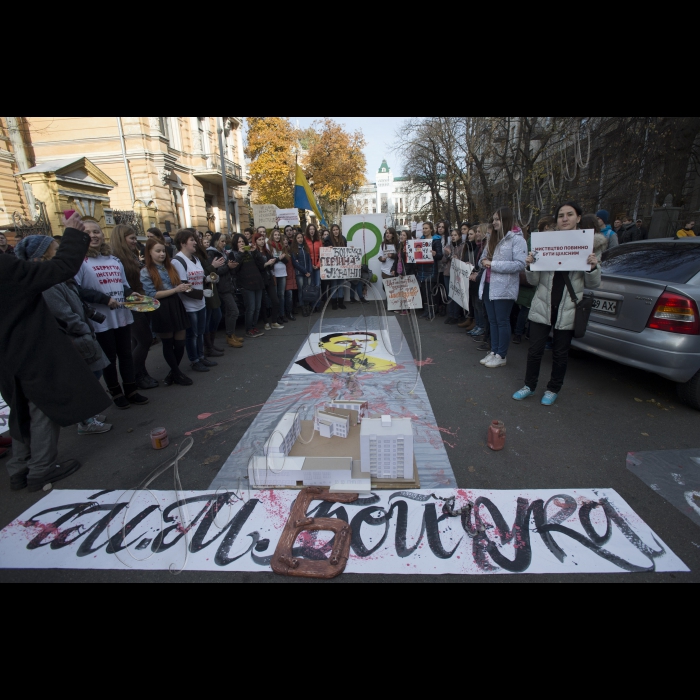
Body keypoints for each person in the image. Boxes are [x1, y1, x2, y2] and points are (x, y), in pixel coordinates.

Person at [1, 215, 112, 493]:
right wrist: (74, 236)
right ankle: (41, 469)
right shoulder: (8, 269)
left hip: (6, 355)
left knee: (20, 410)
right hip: (28, 350)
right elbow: (61, 268)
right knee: (42, 410)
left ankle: (20, 469)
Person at [21, 237, 113, 436]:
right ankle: (85, 421)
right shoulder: (48, 283)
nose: (61, 250)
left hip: (81, 334)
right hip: (74, 337)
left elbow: (75, 302)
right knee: (83, 379)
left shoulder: (58, 276)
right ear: (44, 254)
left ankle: (88, 415)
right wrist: (83, 328)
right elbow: (63, 314)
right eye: (56, 247)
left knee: (92, 375)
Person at [513, 202, 601, 406]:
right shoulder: (545, 242)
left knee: (560, 354)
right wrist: (530, 265)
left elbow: (593, 283)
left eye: (570, 214)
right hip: (543, 304)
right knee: (534, 350)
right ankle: (529, 385)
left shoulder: (587, 244)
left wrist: (592, 267)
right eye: (561, 215)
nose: (565, 218)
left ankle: (553, 388)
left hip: (567, 307)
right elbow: (533, 282)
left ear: (578, 218)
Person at [75, 221, 149, 409]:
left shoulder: (113, 260)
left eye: (96, 231)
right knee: (109, 358)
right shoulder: (79, 260)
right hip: (101, 319)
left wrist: (130, 293)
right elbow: (76, 290)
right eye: (88, 232)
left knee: (125, 354)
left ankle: (131, 389)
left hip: (122, 315)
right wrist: (103, 299)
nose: (94, 235)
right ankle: (116, 393)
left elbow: (122, 284)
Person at [110, 224, 159, 391]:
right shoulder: (116, 259)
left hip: (140, 300)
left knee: (137, 341)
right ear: (121, 239)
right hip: (130, 303)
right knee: (145, 339)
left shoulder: (130, 255)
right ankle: (135, 376)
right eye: (131, 238)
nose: (135, 241)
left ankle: (140, 373)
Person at [478, 207, 528, 368]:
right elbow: (481, 260)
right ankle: (494, 350)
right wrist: (484, 262)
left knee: (502, 320)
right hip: (487, 284)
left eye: (497, 219)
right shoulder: (492, 237)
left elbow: (520, 264)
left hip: (504, 287)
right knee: (492, 320)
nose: (494, 222)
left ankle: (502, 354)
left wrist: (493, 264)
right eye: (493, 219)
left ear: (505, 219)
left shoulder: (517, 240)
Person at [140, 238, 193, 385]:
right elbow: (151, 295)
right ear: (149, 253)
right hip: (161, 307)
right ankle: (177, 373)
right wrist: (176, 289)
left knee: (180, 342)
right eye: (158, 251)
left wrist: (184, 287)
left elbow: (177, 285)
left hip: (175, 304)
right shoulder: (146, 271)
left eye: (163, 251)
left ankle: (173, 373)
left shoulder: (170, 267)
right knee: (168, 343)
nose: (162, 254)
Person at [171, 229, 217, 373]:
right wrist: (201, 292)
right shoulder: (177, 261)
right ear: (182, 243)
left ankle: (201, 356)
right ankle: (194, 360)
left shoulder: (195, 259)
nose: (195, 242)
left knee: (201, 331)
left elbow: (199, 277)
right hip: (188, 305)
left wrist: (208, 279)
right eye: (192, 240)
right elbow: (183, 286)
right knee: (192, 334)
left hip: (200, 303)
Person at [209, 233, 244, 348]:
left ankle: (231, 335)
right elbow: (214, 272)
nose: (224, 244)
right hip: (222, 287)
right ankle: (229, 336)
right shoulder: (212, 253)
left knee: (231, 312)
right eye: (221, 241)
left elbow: (227, 269)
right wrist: (228, 267)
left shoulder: (223, 253)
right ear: (215, 241)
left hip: (228, 285)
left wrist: (231, 266)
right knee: (234, 311)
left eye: (225, 241)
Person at [231, 233, 266, 338]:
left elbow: (262, 263)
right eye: (239, 242)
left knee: (257, 307)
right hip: (245, 284)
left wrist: (255, 251)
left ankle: (254, 326)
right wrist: (241, 253)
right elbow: (235, 268)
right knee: (250, 308)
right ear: (235, 244)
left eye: (243, 242)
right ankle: (249, 329)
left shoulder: (250, 252)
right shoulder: (233, 254)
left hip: (257, 282)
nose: (241, 244)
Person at [253, 232, 284, 330]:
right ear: (255, 241)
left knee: (275, 300)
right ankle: (266, 322)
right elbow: (255, 267)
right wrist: (266, 264)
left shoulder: (267, 251)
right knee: (263, 302)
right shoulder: (254, 252)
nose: (262, 242)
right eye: (259, 240)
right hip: (260, 279)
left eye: (263, 239)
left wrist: (272, 262)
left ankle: (274, 321)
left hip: (269, 277)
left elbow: (271, 264)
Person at [415, 222, 444, 319]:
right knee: (424, 291)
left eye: (426, 228)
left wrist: (435, 254)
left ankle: (432, 311)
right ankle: (426, 310)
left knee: (430, 292)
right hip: (422, 269)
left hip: (431, 269)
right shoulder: (420, 241)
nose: (424, 230)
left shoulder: (436, 241)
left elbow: (440, 255)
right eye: (423, 228)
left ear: (431, 229)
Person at [268, 228, 291, 323]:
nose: (277, 236)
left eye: (278, 235)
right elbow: (270, 261)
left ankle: (282, 314)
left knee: (281, 295)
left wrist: (282, 258)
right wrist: (278, 259)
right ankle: (276, 316)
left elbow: (286, 260)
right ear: (272, 236)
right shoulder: (269, 246)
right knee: (275, 296)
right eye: (275, 235)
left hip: (282, 272)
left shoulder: (282, 246)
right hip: (274, 273)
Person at [443, 229, 465, 325]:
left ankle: (456, 315)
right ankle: (450, 314)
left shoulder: (463, 246)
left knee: (456, 295)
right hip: (448, 273)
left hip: (457, 273)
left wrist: (454, 257)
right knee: (449, 294)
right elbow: (443, 260)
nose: (453, 237)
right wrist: (448, 256)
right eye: (452, 235)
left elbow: (462, 259)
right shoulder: (448, 246)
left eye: (455, 235)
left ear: (459, 236)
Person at [327, 224, 348, 311]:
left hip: (341, 265)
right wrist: (327, 248)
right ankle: (334, 303)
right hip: (332, 266)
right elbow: (324, 252)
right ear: (331, 231)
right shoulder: (328, 239)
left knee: (341, 284)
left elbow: (346, 251)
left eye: (337, 229)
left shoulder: (343, 238)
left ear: (339, 230)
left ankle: (341, 302)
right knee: (334, 284)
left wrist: (351, 250)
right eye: (334, 230)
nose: (336, 231)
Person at [292, 231, 313, 316]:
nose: (300, 239)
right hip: (300, 273)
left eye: (301, 237)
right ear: (295, 239)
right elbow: (295, 263)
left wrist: (309, 271)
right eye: (298, 238)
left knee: (307, 291)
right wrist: (305, 271)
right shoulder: (294, 249)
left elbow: (309, 261)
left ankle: (307, 306)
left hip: (307, 273)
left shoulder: (305, 248)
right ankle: (303, 307)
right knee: (301, 291)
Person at [304, 224, 323, 312]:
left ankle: (317, 305)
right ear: (308, 231)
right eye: (310, 229)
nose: (312, 231)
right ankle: (312, 305)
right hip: (309, 267)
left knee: (317, 285)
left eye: (313, 229)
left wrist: (318, 265)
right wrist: (310, 265)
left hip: (317, 267)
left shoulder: (319, 241)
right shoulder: (305, 240)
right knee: (311, 286)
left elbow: (322, 254)